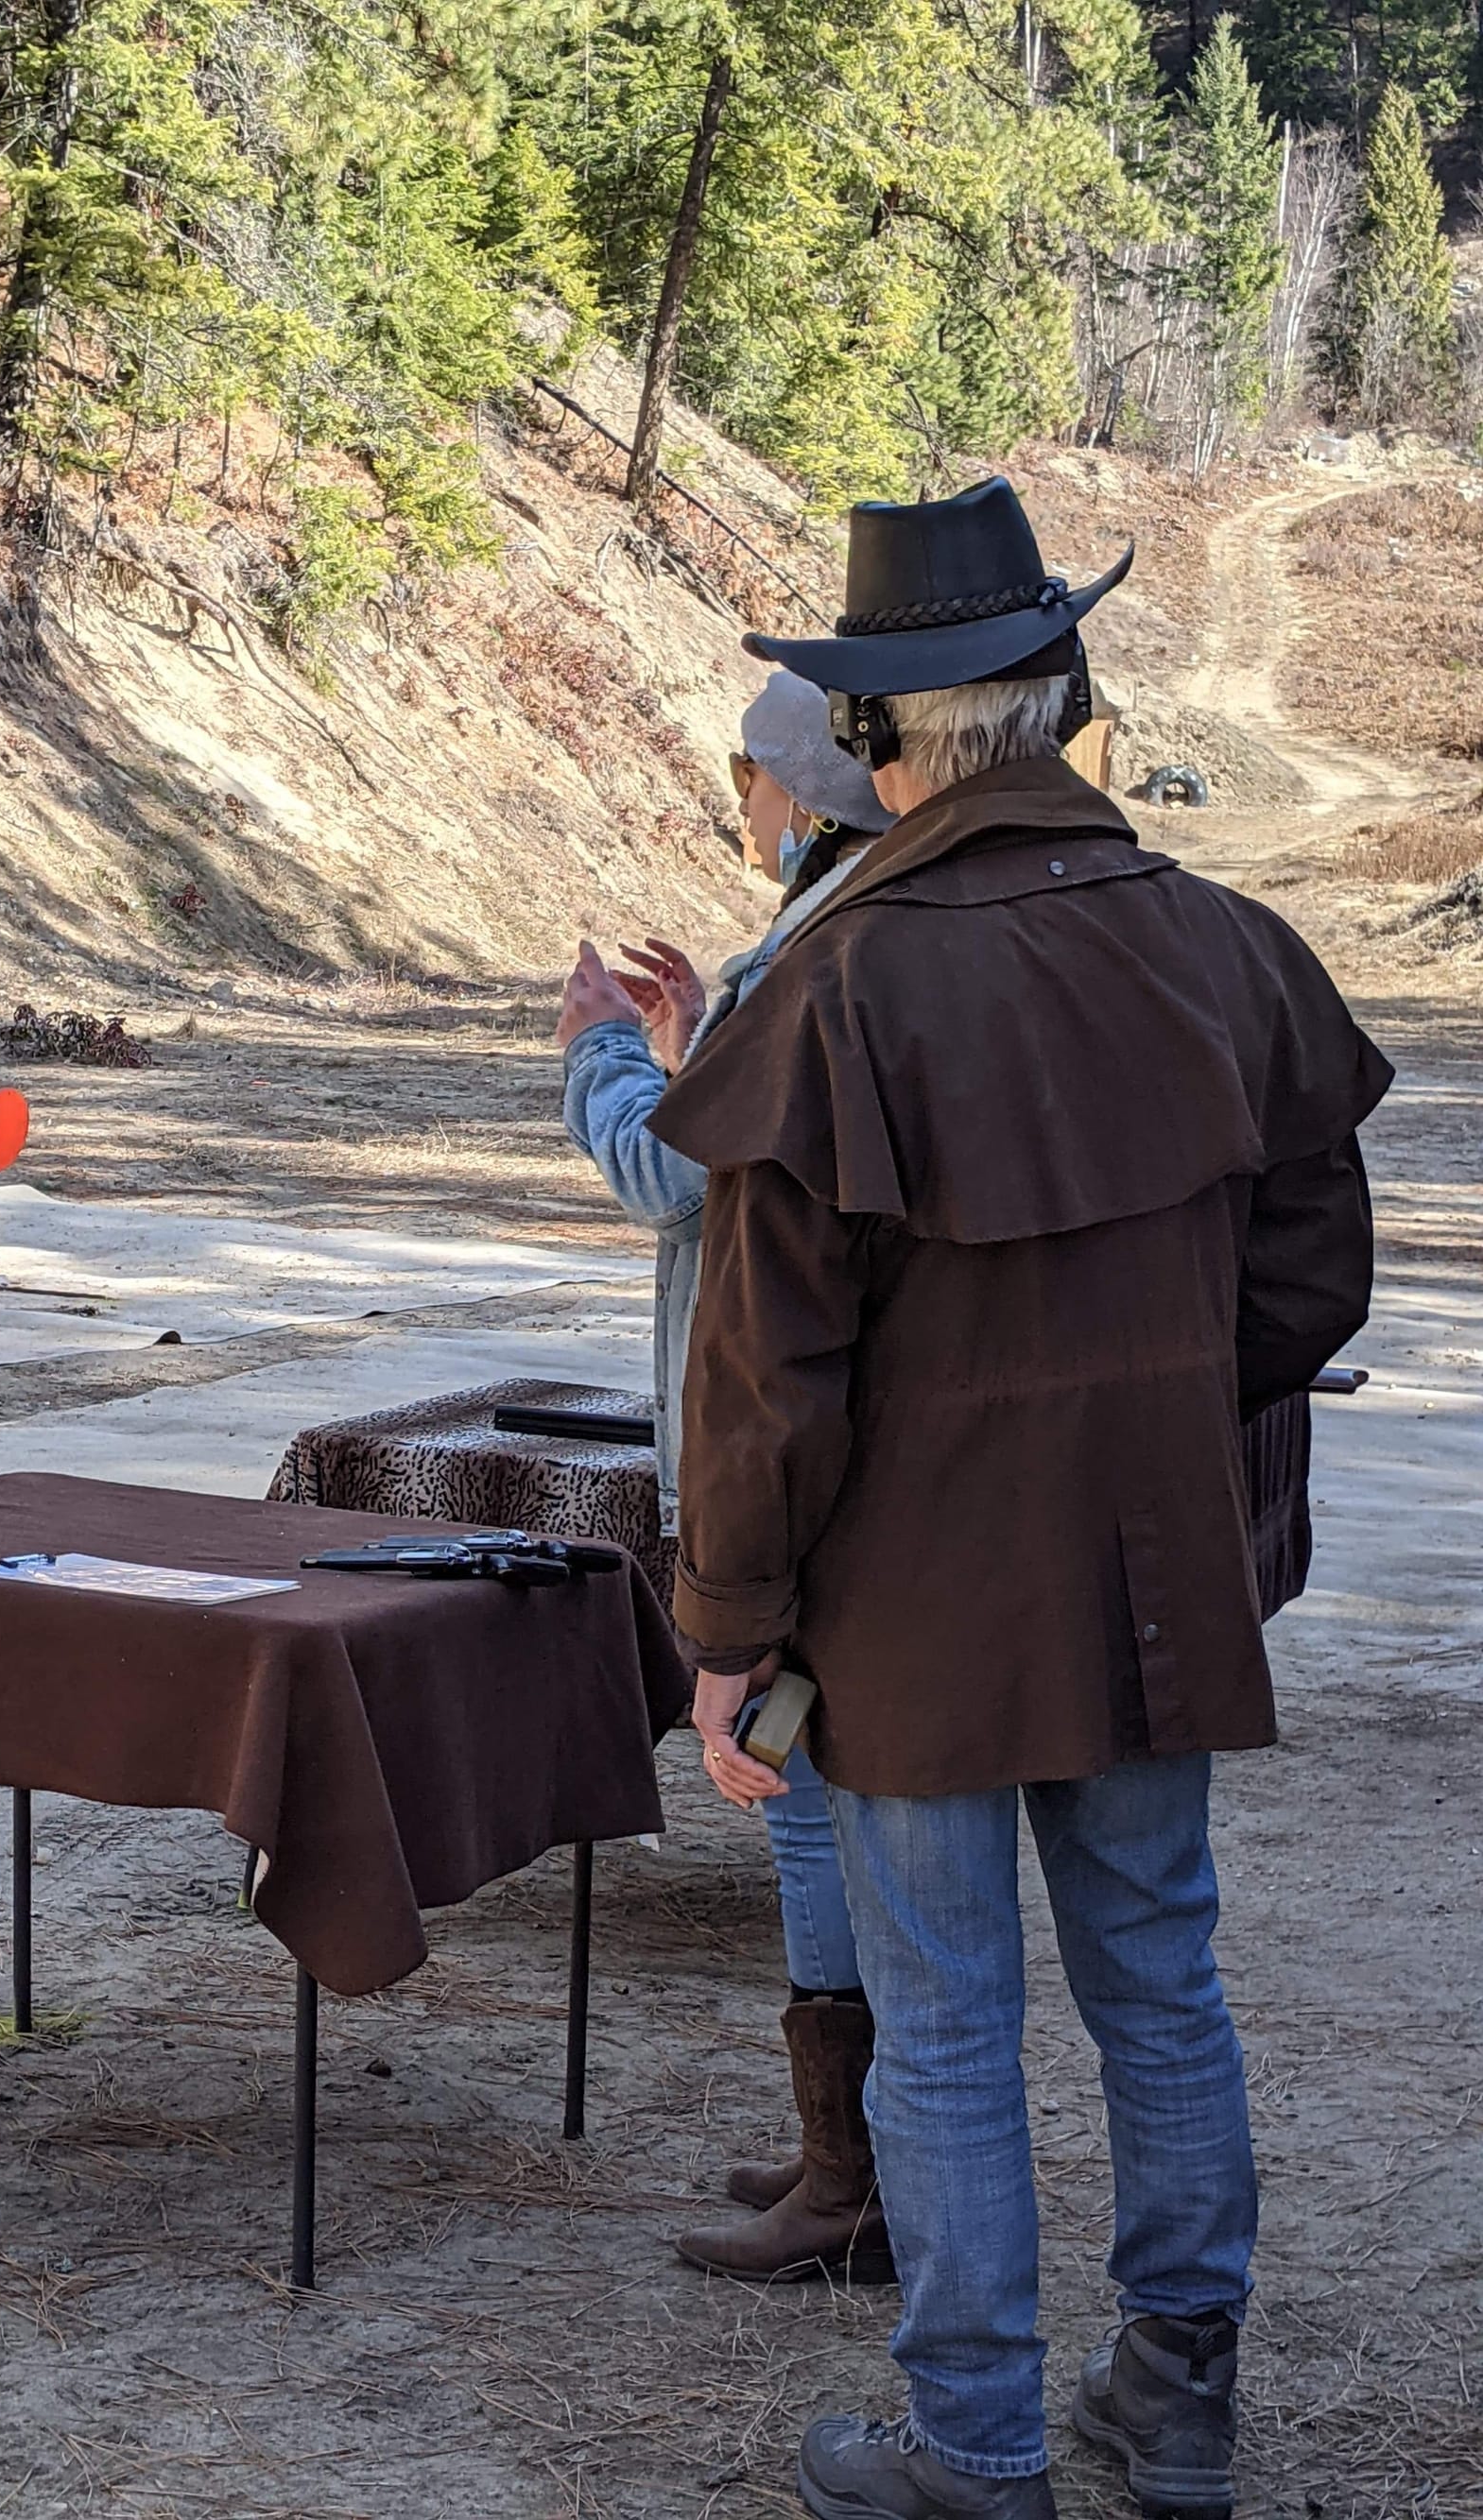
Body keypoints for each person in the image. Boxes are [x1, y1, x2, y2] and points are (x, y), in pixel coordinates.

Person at [649, 477, 1388, 2520]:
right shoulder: (1227, 948)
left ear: (885, 740)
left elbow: (763, 1374)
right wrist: (1146, 1417)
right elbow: (1312, 1273)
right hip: (1150, 1576)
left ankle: (978, 2441)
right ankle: (1174, 2403)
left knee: (951, 2013)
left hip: (913, 1606)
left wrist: (726, 1629)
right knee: (1158, 1972)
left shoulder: (840, 985)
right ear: (1062, 706)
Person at [555, 670, 894, 2284]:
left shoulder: (817, 951)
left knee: (805, 1804)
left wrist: (602, 1061)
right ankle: (860, 2151)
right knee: (821, 1809)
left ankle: (857, 2177)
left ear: (798, 789)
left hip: (774, 1453)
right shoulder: (848, 937)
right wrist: (701, 1042)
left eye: (745, 775)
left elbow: (665, 1182)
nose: (737, 803)